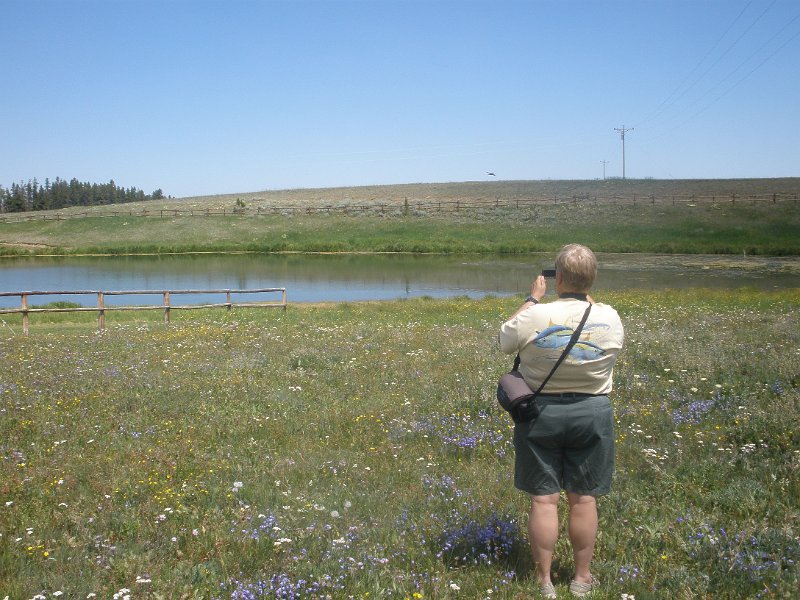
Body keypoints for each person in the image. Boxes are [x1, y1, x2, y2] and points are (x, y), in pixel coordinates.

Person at [498, 244, 624, 598]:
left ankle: (544, 581)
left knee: (544, 500)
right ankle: (582, 579)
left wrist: (532, 299)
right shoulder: (610, 316)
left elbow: (504, 338)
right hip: (592, 412)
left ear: (559, 278)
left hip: (541, 414)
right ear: (591, 279)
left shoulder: (537, 315)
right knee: (584, 500)